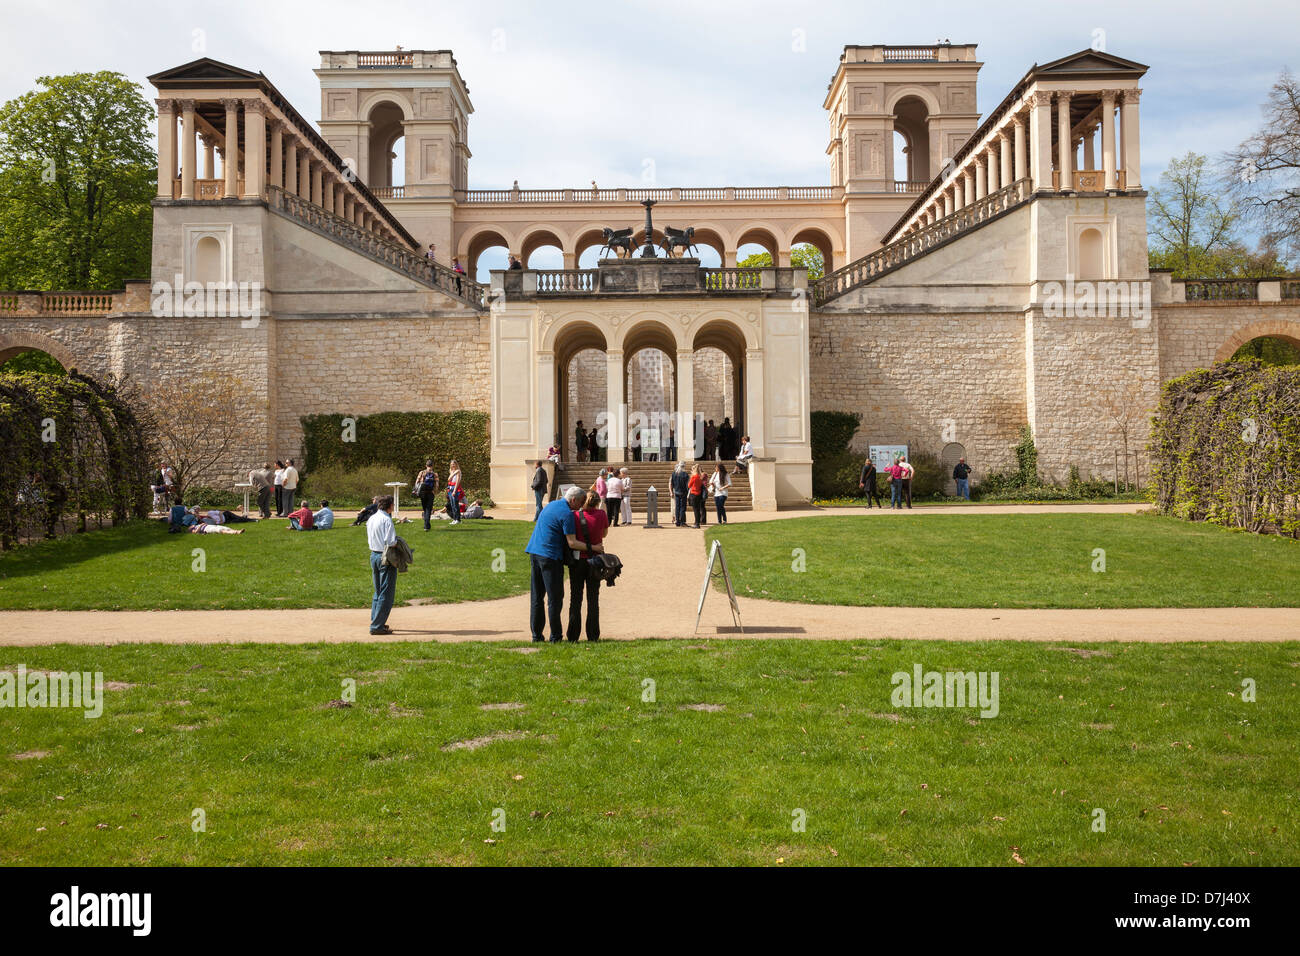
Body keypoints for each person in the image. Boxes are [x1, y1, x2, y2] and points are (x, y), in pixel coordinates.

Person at [526, 487, 601, 643]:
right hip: (550, 556)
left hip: (535, 552)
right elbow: (572, 542)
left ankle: (537, 636)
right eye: (580, 502)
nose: (581, 506)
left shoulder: (552, 504)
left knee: (537, 597)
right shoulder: (567, 514)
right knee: (555, 598)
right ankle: (556, 636)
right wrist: (594, 548)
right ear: (573, 500)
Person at [567, 489, 609, 642]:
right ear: (597, 502)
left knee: (575, 598)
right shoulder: (602, 515)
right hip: (595, 560)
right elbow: (604, 534)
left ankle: (573, 635)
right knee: (593, 599)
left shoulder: (575, 515)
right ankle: (593, 634)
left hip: (578, 560)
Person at [366, 495, 398, 635]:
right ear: (389, 505)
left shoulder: (372, 518)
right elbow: (391, 542)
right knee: (386, 592)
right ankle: (377, 626)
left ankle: (376, 620)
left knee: (378, 591)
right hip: (385, 556)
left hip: (374, 555)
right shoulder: (387, 520)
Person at [415, 460, 440, 531]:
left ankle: (426, 525)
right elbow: (437, 485)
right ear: (432, 466)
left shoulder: (422, 472)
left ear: (426, 465)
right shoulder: (435, 474)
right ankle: (427, 525)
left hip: (423, 492)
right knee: (428, 509)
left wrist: (416, 490)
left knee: (425, 508)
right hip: (430, 493)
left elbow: (417, 482)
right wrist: (434, 492)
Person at [671, 461, 689, 527]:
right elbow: (687, 485)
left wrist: (673, 490)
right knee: (683, 507)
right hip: (683, 492)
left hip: (676, 491)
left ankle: (677, 521)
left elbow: (672, 483)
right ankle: (682, 521)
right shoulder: (685, 474)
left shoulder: (674, 473)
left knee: (677, 507)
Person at [687, 464, 707, 528]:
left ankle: (696, 523)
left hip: (693, 494)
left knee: (695, 510)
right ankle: (697, 522)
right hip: (699, 494)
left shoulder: (694, 477)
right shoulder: (699, 477)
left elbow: (689, 485)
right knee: (698, 509)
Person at [446, 460, 463, 525]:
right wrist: (454, 473)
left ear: (456, 464)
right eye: (451, 464)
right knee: (452, 505)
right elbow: (449, 479)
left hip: (455, 489)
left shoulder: (459, 472)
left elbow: (457, 482)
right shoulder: (452, 471)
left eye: (454, 464)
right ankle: (454, 519)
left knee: (455, 504)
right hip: (450, 488)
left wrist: (454, 491)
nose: (453, 465)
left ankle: (458, 519)